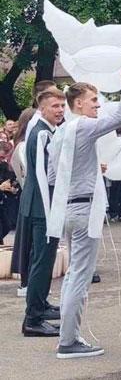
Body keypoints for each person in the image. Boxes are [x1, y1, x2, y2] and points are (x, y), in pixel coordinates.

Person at [47, 71, 121, 358]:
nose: (98, 105)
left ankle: (68, 336)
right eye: (94, 100)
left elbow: (53, 176)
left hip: (68, 207)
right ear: (78, 104)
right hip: (85, 209)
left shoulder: (60, 132)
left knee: (74, 274)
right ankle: (68, 341)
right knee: (80, 276)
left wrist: (87, 171)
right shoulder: (84, 126)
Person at [20, 87, 66, 337]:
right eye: (54, 106)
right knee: (42, 261)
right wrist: (52, 211)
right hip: (43, 206)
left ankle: (40, 304)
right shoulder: (41, 134)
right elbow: (43, 175)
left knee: (42, 259)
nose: (60, 110)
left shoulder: (46, 131)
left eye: (62, 106)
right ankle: (33, 318)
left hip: (41, 204)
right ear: (42, 108)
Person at [9, 108, 35, 298]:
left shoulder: (22, 145)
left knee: (29, 240)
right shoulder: (24, 146)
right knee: (29, 241)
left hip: (29, 195)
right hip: (31, 196)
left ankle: (29, 282)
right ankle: (27, 283)